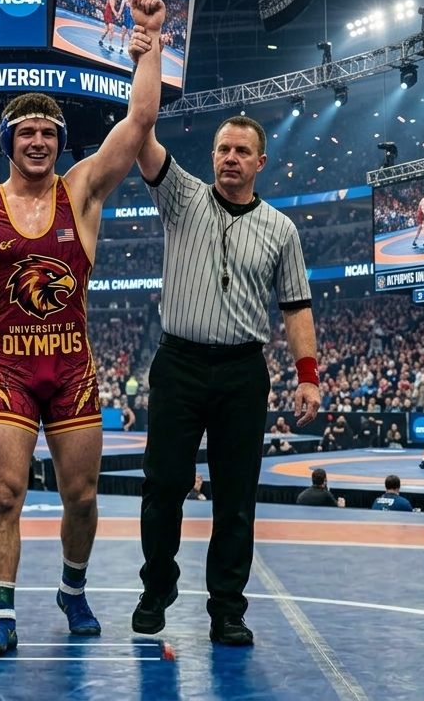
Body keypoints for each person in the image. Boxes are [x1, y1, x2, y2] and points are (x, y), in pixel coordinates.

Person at [0, 0, 166, 656]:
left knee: (80, 496)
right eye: (27, 133)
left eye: (49, 133)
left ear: (59, 142)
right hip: (12, 371)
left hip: (73, 370)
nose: (40, 141)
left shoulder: (81, 191)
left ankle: (73, 589)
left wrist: (149, 38)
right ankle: (1, 615)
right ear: (8, 142)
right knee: (4, 494)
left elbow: (139, 120)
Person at [130, 108, 320, 649]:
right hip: (179, 363)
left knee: (235, 497)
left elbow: (297, 306)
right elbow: (142, 133)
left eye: (241, 151)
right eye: (222, 149)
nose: (230, 158)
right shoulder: (181, 195)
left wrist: (307, 375)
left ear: (261, 161)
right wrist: (145, 52)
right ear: (212, 155)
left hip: (242, 371)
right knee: (163, 484)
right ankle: (157, 586)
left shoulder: (281, 228)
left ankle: (227, 610)